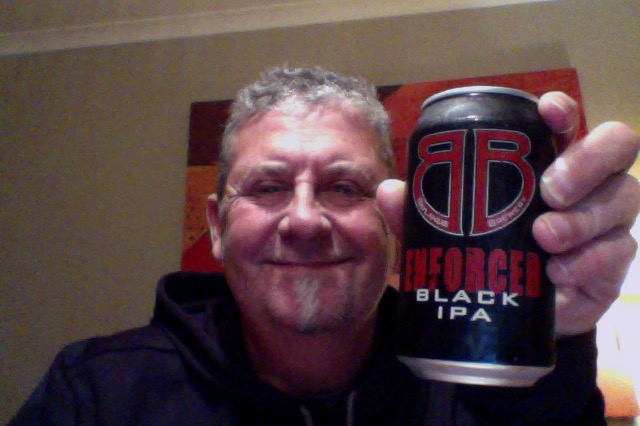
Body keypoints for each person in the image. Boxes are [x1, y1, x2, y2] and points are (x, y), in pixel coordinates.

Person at [10, 66, 640, 425]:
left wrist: (555, 339)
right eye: (268, 187)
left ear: (395, 219)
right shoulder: (94, 392)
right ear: (218, 227)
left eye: (344, 187)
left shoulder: (478, 389)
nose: (305, 220)